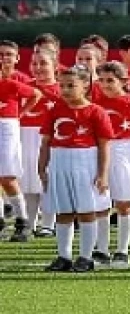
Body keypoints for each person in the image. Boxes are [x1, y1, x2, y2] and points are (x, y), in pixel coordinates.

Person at [38, 66, 113, 273]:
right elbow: (45, 142)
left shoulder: (96, 112)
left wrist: (103, 174)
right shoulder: (55, 110)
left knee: (86, 211)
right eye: (62, 86)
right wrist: (42, 168)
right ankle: (64, 256)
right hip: (60, 163)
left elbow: (104, 145)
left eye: (71, 85)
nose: (66, 90)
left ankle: (85, 257)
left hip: (84, 163)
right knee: (63, 211)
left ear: (86, 85)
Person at [95, 62, 130, 268]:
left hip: (125, 152)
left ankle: (122, 250)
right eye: (101, 80)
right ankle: (101, 250)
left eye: (110, 80)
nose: (105, 85)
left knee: (124, 203)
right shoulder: (94, 103)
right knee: (101, 204)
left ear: (123, 81)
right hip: (100, 151)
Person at [0, 40, 41, 240]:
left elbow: (36, 94)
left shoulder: (12, 83)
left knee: (8, 176)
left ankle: (22, 220)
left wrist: (20, 114)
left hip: (7, 128)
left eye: (8, 55)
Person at [19, 49, 60, 239]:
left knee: (48, 181)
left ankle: (48, 224)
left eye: (43, 63)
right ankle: (29, 222)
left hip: (49, 140)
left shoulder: (62, 90)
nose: (38, 68)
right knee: (28, 182)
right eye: (34, 63)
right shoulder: (24, 88)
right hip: (25, 137)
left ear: (54, 65)